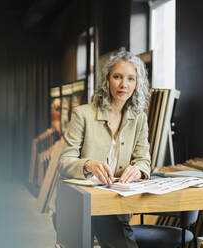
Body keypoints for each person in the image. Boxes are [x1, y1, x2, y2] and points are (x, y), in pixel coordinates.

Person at [59, 50, 151, 248]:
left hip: (114, 208)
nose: (123, 84)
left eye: (130, 79)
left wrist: (138, 170)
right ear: (107, 80)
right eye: (117, 77)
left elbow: (144, 160)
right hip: (79, 206)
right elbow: (64, 162)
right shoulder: (82, 114)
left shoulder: (139, 119)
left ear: (137, 84)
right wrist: (89, 165)